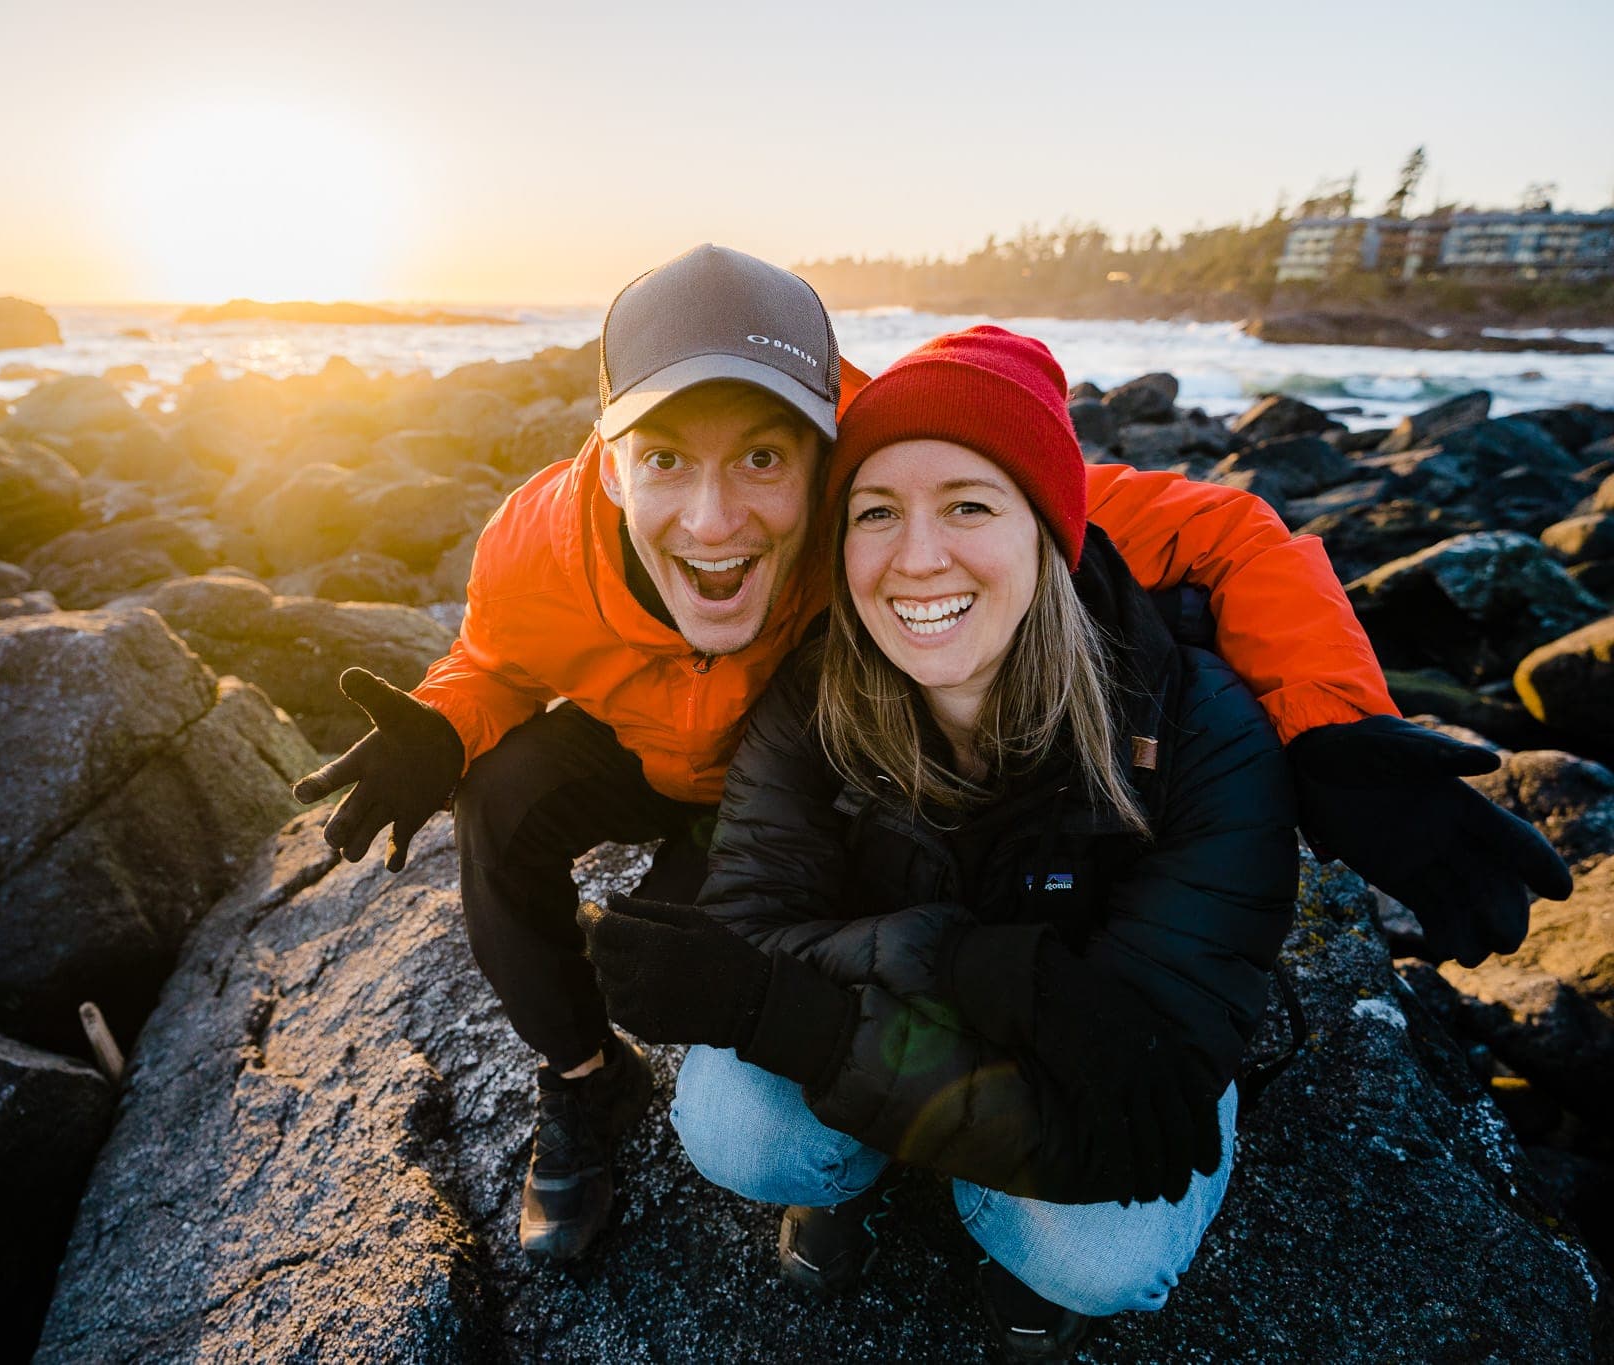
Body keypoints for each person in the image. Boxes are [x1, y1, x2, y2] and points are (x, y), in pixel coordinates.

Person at [292, 246, 1567, 1267]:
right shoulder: (534, 548)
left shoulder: (905, 470)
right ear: (607, 461)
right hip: (683, 763)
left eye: (761, 459)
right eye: (663, 461)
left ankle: (960, 1171)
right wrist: (440, 726)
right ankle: (582, 1084)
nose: (715, 514)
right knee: (506, 802)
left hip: (807, 780)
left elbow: (1220, 531)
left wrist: (1332, 729)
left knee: (1033, 1197)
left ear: (822, 442)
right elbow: (494, 659)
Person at [578, 327, 1309, 1358]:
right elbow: (751, 928)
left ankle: (999, 1227)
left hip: (1083, 1067)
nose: (917, 558)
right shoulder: (811, 699)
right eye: (876, 513)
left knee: (1100, 1255)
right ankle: (869, 1163)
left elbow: (1144, 1074)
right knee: (735, 1127)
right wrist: (945, 958)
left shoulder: (1197, 730)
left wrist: (814, 1014)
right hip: (929, 1019)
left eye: (968, 504)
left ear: (1046, 530)